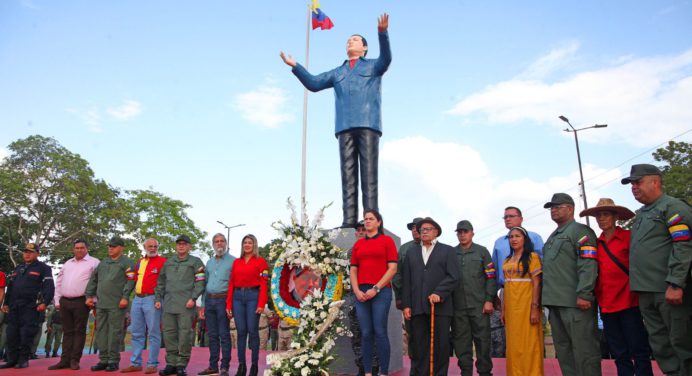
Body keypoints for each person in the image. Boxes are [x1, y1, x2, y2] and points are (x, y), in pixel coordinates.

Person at [280, 13, 391, 227]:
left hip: (368, 124)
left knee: (369, 176)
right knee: (347, 175)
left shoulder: (372, 66)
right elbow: (313, 83)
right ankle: (349, 220)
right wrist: (295, 66)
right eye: (349, 39)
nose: (351, 41)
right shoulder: (338, 71)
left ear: (365, 48)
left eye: (356, 39)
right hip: (344, 127)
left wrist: (382, 33)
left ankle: (371, 220)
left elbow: (386, 59)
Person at [622, 164, 692, 375]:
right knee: (661, 345)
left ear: (655, 182)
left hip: (668, 289)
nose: (633, 187)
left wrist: (676, 283)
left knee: (681, 343)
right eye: (631, 184)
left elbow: (683, 245)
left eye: (638, 182)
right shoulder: (642, 213)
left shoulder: (672, 207)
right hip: (646, 291)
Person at [579, 198, 653, 375]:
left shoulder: (629, 237)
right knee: (618, 351)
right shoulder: (595, 243)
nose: (601, 219)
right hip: (606, 304)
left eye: (605, 214)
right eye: (598, 215)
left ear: (615, 217)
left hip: (630, 302)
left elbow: (642, 264)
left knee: (639, 349)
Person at [542, 193, 601, 376]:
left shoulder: (580, 231)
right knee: (564, 352)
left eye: (558, 206)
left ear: (570, 208)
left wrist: (584, 293)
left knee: (585, 351)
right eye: (551, 207)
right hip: (555, 302)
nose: (553, 210)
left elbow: (588, 264)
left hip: (575, 303)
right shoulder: (553, 236)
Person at [401, 217, 459, 376]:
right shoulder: (411, 252)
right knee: (419, 345)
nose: (424, 231)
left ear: (436, 232)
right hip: (417, 307)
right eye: (421, 229)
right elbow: (406, 280)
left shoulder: (448, 250)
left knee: (440, 345)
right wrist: (406, 305)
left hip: (440, 307)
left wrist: (439, 292)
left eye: (427, 229)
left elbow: (453, 276)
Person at [350, 210, 397, 376]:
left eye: (371, 219)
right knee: (366, 333)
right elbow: (353, 270)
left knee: (379, 331)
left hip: (381, 291)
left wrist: (376, 288)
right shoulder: (358, 245)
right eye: (365, 219)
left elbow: (392, 269)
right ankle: (368, 372)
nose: (367, 221)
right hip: (361, 292)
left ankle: (384, 372)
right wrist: (356, 291)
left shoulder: (387, 241)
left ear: (379, 222)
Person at [155, 235, 206, 376]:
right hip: (169, 304)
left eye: (184, 244)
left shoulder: (195, 262)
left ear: (189, 246)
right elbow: (161, 281)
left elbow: (200, 281)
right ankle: (171, 363)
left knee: (184, 335)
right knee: (169, 335)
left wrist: (194, 297)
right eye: (179, 244)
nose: (181, 246)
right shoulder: (169, 262)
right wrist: (158, 298)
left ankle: (181, 364)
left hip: (186, 305)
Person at [451, 220, 497, 376]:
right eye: (459, 232)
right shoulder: (451, 253)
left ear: (472, 233)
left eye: (465, 232)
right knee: (461, 343)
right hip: (458, 307)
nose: (462, 235)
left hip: (479, 306)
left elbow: (491, 277)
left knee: (483, 341)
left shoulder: (482, 252)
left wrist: (489, 299)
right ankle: (466, 372)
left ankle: (485, 372)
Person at [0, 242, 54, 369]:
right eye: (26, 252)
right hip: (14, 307)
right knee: (11, 334)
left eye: (31, 252)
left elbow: (49, 287)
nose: (27, 254)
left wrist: (45, 303)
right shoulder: (18, 268)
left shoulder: (43, 268)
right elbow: (11, 287)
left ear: (37, 253)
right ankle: (12, 360)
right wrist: (6, 303)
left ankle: (23, 360)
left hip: (30, 307)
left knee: (26, 334)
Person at [85, 236, 136, 372]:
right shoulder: (103, 263)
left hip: (117, 304)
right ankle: (103, 359)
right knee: (101, 331)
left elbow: (130, 281)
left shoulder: (127, 262)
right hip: (101, 303)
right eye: (109, 246)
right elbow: (93, 280)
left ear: (121, 248)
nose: (110, 248)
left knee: (115, 333)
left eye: (113, 246)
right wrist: (89, 295)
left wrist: (125, 297)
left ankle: (113, 360)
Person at [49, 239, 100, 371]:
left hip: (81, 301)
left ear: (86, 249)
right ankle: (64, 360)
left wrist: (93, 300)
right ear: (73, 249)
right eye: (76, 248)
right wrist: (57, 299)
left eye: (82, 248)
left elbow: (98, 282)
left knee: (79, 331)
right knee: (67, 332)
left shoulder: (94, 262)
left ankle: (74, 360)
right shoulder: (67, 263)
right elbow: (59, 281)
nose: (79, 250)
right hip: (64, 301)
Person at [501, 226, 544, 375]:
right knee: (513, 346)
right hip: (512, 309)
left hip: (526, 305)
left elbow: (537, 283)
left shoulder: (532, 257)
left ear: (525, 239)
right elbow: (505, 286)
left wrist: (534, 308)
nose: (514, 239)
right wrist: (503, 308)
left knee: (529, 344)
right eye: (511, 236)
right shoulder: (507, 260)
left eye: (517, 236)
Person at [121, 238, 167, 374]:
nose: (152, 248)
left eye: (155, 246)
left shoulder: (163, 262)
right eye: (150, 246)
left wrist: (160, 298)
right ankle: (135, 363)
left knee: (153, 333)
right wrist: (126, 296)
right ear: (144, 247)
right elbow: (133, 280)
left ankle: (152, 364)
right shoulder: (140, 262)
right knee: (136, 332)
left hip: (152, 299)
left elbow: (164, 282)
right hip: (137, 298)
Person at [225, 234, 269, 376]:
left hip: (253, 297)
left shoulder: (261, 262)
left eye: (250, 242)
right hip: (237, 297)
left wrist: (261, 303)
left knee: (253, 331)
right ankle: (241, 365)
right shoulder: (236, 262)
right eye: (245, 243)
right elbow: (231, 283)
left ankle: (254, 366)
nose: (247, 245)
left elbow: (264, 284)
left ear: (254, 245)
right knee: (241, 332)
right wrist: (229, 304)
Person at [198, 233, 235, 376]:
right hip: (209, 301)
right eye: (216, 241)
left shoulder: (233, 261)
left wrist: (230, 305)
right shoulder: (209, 262)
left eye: (221, 241)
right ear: (213, 244)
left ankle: (224, 366)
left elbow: (234, 284)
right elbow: (205, 283)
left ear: (226, 244)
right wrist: (203, 304)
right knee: (212, 335)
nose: (219, 244)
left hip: (223, 300)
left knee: (224, 335)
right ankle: (213, 366)